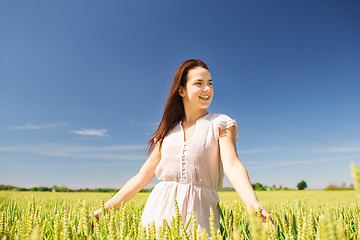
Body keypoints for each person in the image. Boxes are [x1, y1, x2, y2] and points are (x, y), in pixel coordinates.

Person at [90, 59, 274, 235]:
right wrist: (106, 209)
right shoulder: (168, 132)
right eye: (199, 83)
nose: (207, 89)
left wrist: (253, 205)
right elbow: (141, 177)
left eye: (210, 83)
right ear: (182, 90)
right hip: (159, 214)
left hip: (202, 216)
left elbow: (232, 165)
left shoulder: (220, 123)